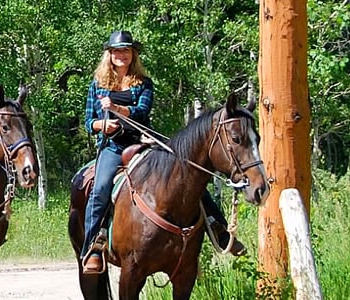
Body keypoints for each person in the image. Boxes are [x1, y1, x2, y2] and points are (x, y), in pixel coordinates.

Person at [80, 31, 245, 274]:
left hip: (144, 141)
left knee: (187, 176)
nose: (121, 55)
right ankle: (93, 247)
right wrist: (102, 125)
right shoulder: (98, 84)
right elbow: (88, 121)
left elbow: (142, 110)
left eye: (126, 50)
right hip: (114, 146)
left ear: (132, 54)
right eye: (117, 51)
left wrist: (117, 108)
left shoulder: (143, 82)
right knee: (101, 187)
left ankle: (219, 229)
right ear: (110, 55)